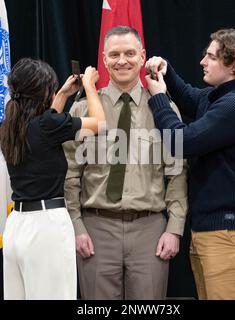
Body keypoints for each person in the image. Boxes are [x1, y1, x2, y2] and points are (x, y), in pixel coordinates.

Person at [63, 26, 188, 300]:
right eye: (115, 54)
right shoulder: (82, 110)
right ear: (104, 60)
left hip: (150, 231)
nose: (122, 61)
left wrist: (174, 228)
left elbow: (176, 174)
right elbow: (70, 174)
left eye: (130, 53)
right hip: (96, 230)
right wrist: (76, 225)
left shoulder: (166, 109)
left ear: (142, 57)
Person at [144, 28, 235, 300]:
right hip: (214, 230)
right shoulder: (221, 96)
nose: (202, 61)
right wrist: (168, 73)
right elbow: (191, 97)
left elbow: (181, 143)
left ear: (233, 65)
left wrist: (158, 98)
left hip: (231, 234)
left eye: (211, 57)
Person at [0, 58, 106, 300]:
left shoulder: (8, 126)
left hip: (17, 225)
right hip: (47, 228)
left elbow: (45, 122)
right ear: (43, 92)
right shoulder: (47, 126)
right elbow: (99, 123)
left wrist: (62, 95)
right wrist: (89, 85)